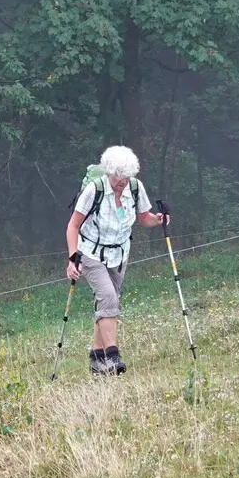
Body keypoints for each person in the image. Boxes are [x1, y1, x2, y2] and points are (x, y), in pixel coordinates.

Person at [64, 146, 169, 376]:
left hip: (119, 254)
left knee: (106, 304)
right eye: (118, 176)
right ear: (110, 171)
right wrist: (73, 258)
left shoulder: (135, 187)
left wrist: (159, 220)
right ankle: (112, 356)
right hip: (91, 253)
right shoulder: (94, 190)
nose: (122, 181)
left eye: (127, 176)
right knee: (108, 298)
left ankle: (96, 360)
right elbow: (73, 226)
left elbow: (143, 219)